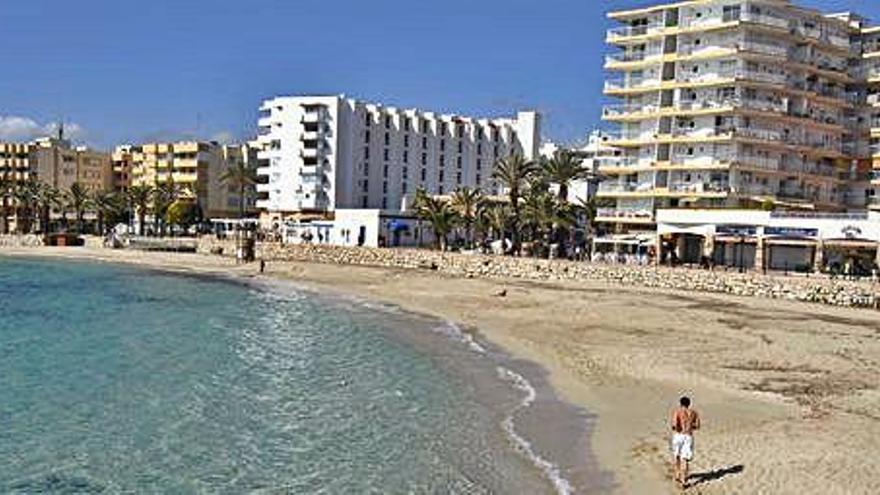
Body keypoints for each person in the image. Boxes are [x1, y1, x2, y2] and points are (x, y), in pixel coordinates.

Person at [670, 396, 701, 487]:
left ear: (680, 403)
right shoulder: (694, 413)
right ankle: (684, 480)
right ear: (689, 404)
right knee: (685, 459)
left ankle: (677, 474)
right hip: (688, 436)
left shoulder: (678, 412)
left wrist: (676, 428)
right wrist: (690, 427)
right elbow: (698, 426)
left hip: (679, 435)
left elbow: (674, 425)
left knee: (677, 455)